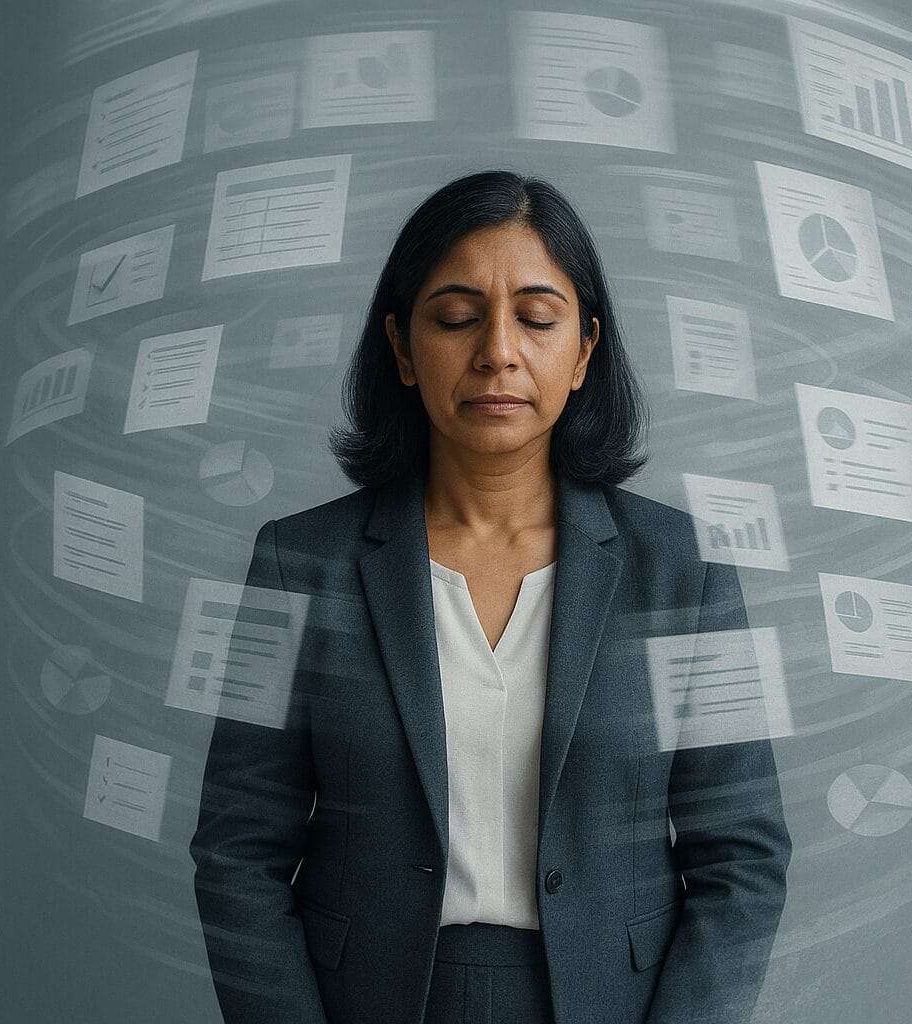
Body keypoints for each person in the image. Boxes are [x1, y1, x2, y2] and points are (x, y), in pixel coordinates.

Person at [189, 169, 792, 1024]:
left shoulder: (688, 571)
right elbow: (236, 851)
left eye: (537, 319)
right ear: (401, 347)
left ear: (584, 350)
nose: (498, 352)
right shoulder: (293, 563)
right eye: (457, 318)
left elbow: (745, 857)